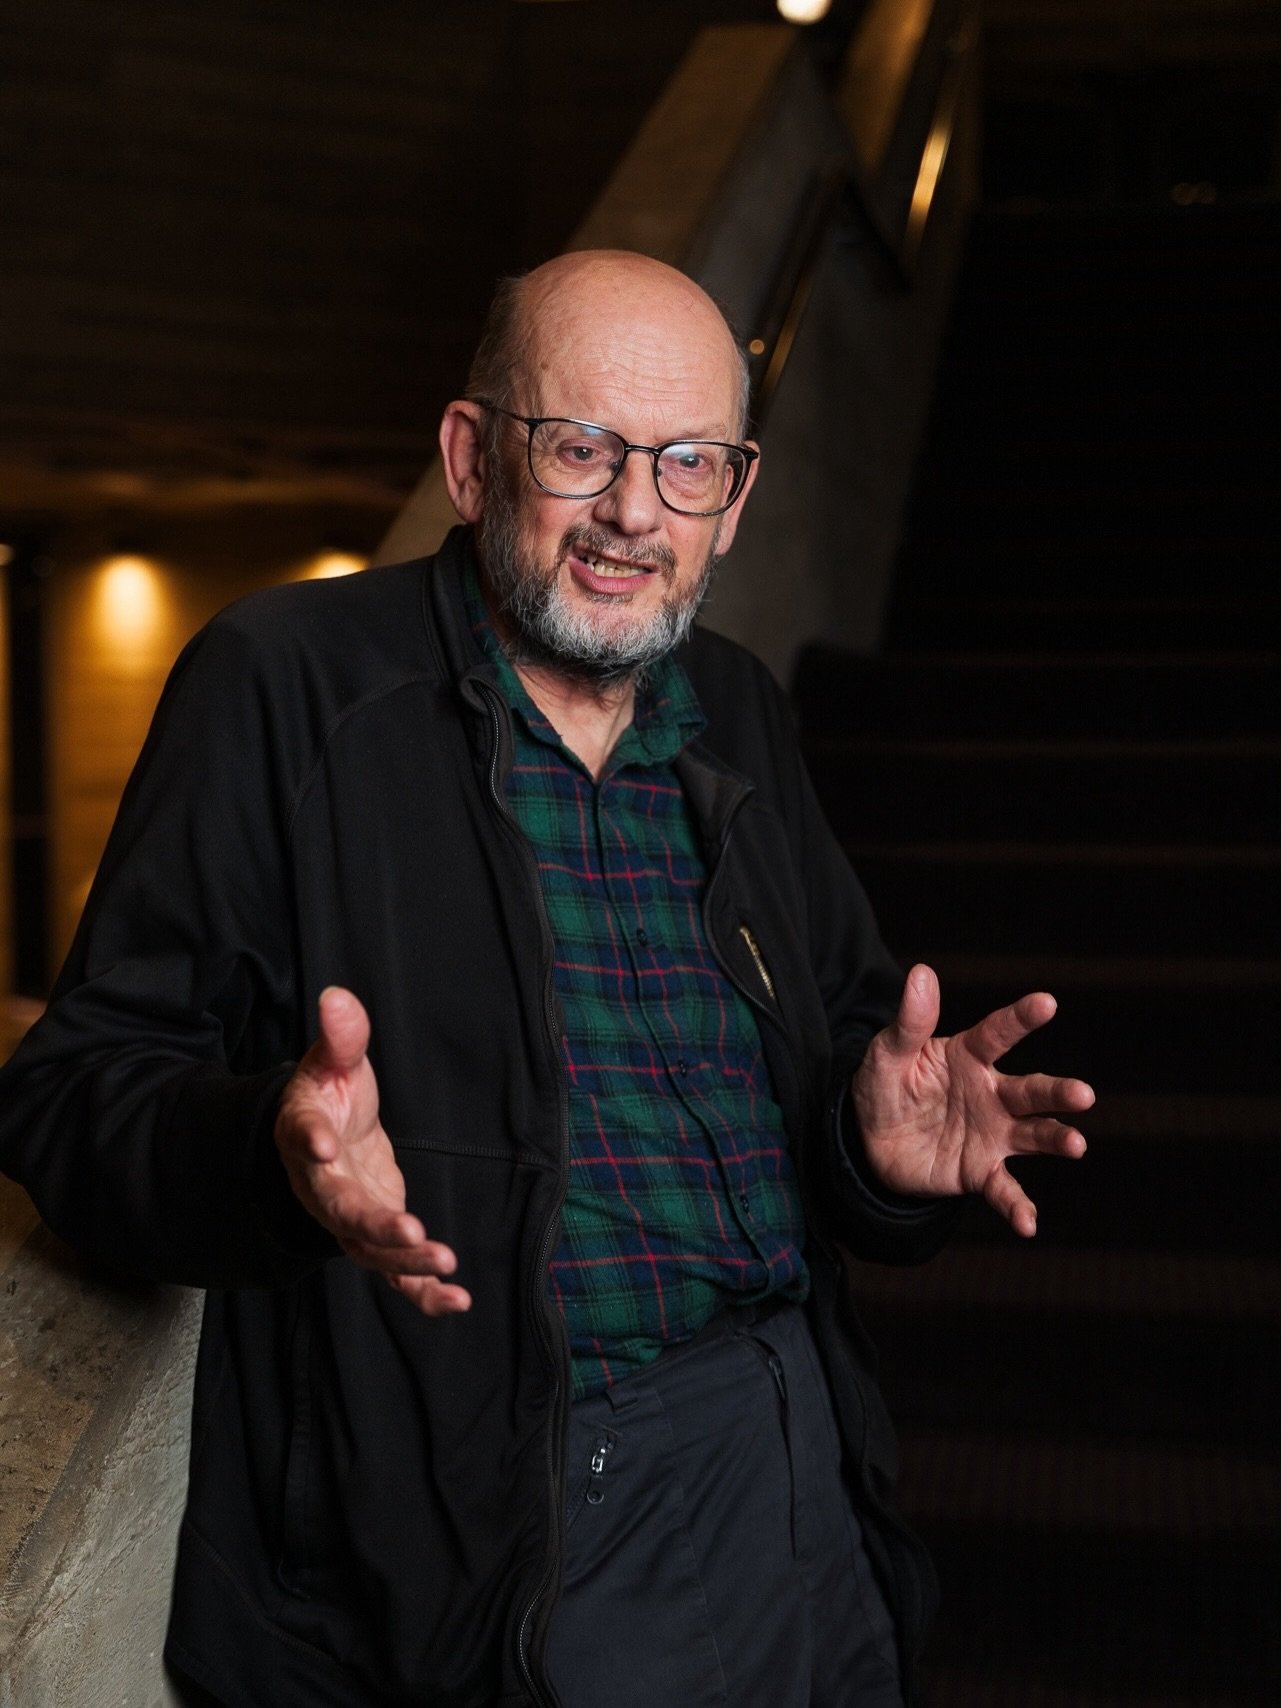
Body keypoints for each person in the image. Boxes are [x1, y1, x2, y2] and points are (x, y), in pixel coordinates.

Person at [0, 250, 1092, 1708]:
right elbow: (72, 1097)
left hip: (803, 1442)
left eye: (688, 463)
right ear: (468, 458)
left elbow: (830, 1048)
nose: (635, 513)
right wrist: (270, 1151)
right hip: (515, 1513)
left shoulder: (738, 711)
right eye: (581, 448)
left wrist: (871, 1146)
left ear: (736, 495)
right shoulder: (287, 684)